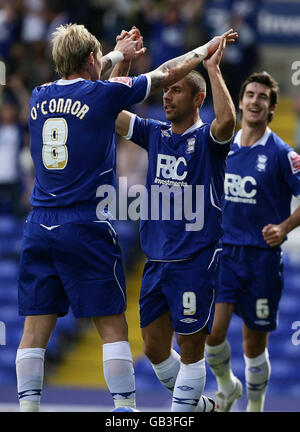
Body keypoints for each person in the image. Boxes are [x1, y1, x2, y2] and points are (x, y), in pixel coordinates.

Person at [15, 21, 236, 412]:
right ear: (90, 59)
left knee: (35, 330)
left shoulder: (37, 95)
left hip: (45, 224)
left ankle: (37, 407)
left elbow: (98, 92)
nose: (167, 97)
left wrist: (120, 57)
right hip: (96, 229)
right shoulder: (141, 123)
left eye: (177, 93)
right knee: (128, 334)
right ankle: (148, 408)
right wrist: (203, 50)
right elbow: (121, 95)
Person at [115, 32, 237, 411]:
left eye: (176, 90)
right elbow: (112, 114)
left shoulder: (207, 140)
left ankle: (181, 416)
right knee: (153, 348)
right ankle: (204, 408)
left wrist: (212, 68)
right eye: (165, 90)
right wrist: (122, 63)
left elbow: (228, 120)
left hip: (195, 261)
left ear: (198, 99)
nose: (166, 96)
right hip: (156, 260)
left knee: (190, 349)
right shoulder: (156, 133)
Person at [205, 71, 300, 412]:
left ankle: (255, 405)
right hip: (225, 253)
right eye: (250, 95)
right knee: (212, 334)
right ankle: (228, 386)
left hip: (262, 259)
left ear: (272, 108)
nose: (255, 101)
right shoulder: (223, 144)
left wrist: (285, 226)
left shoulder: (281, 153)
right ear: (241, 102)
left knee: (253, 343)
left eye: (263, 97)